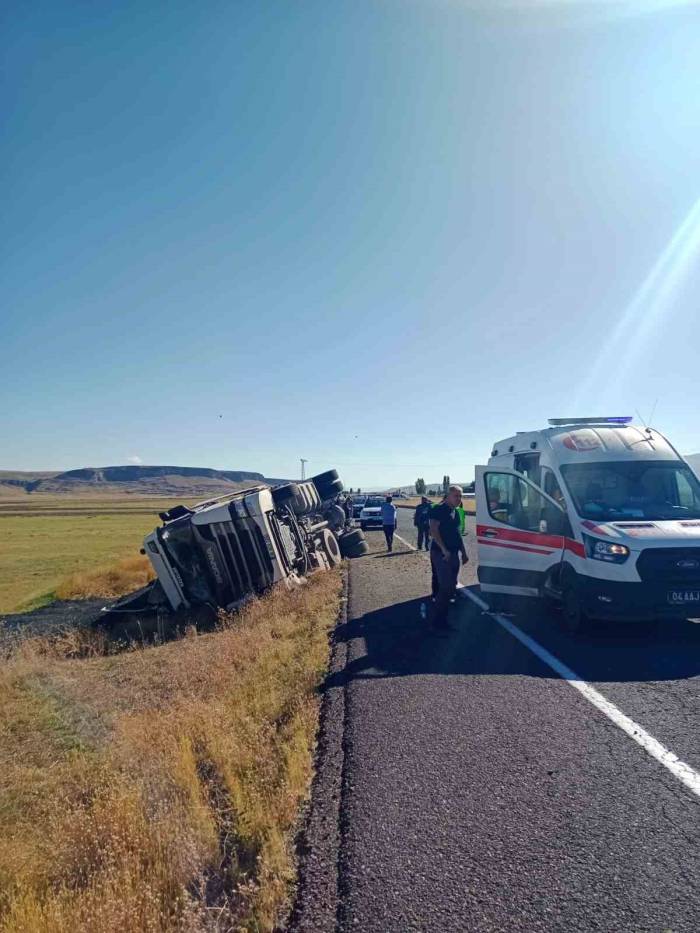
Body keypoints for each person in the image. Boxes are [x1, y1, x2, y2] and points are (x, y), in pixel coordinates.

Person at [429, 485, 468, 633]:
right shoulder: (438, 510)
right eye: (456, 496)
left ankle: (443, 621)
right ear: (448, 496)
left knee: (451, 587)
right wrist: (444, 549)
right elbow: (433, 530)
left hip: (453, 553)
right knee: (445, 586)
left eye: (460, 496)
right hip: (441, 553)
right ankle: (436, 622)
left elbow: (457, 534)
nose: (459, 499)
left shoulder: (456, 513)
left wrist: (463, 552)